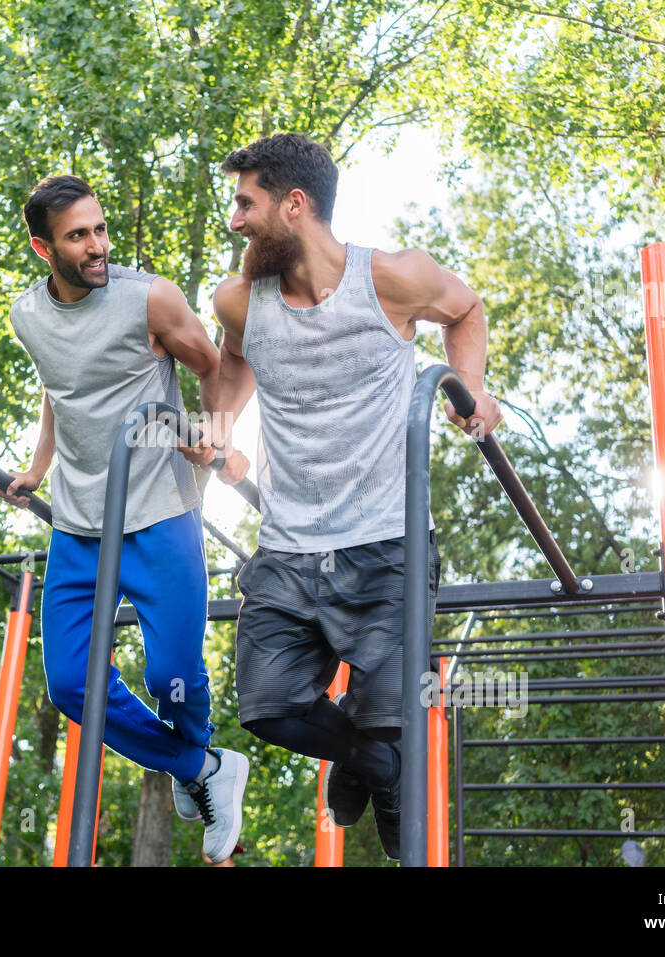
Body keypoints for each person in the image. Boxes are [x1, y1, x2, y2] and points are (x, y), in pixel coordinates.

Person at [203, 133, 503, 860]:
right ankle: (367, 757)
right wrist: (218, 426)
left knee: (393, 723)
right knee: (268, 707)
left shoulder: (393, 278)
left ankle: (386, 775)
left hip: (385, 542)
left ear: (295, 205)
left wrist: (474, 388)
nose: (235, 220)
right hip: (288, 542)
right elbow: (235, 363)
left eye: (246, 203)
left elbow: (465, 310)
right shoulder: (239, 301)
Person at [2, 174, 251, 863]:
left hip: (160, 510)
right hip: (80, 525)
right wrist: (38, 465)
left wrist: (214, 434)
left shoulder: (150, 297)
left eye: (101, 229)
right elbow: (62, 386)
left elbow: (215, 361)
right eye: (78, 235)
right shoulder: (27, 315)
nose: (97, 245)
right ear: (41, 248)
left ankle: (193, 757)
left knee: (171, 672)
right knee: (70, 684)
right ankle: (200, 767)